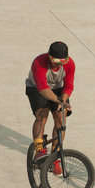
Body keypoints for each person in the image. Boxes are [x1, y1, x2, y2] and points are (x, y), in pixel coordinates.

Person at [25, 41, 74, 174]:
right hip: (36, 88)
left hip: (58, 90)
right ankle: (39, 149)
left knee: (60, 118)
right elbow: (43, 88)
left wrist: (62, 100)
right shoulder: (39, 62)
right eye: (55, 62)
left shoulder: (70, 64)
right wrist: (57, 99)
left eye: (61, 63)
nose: (58, 65)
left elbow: (69, 85)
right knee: (42, 115)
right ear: (49, 57)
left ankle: (55, 156)